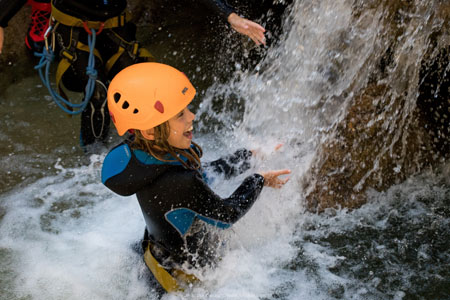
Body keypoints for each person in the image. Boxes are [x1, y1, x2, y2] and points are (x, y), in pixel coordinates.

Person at [101, 62, 290, 293]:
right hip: (181, 283)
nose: (192, 116)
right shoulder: (178, 182)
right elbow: (227, 215)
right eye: (180, 114)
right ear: (150, 131)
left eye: (187, 108)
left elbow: (202, 175)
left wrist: (247, 157)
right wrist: (258, 179)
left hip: (154, 256)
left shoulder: (142, 154)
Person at [0, 0, 266, 149]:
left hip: (115, 29)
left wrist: (230, 16)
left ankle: (145, 149)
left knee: (141, 90)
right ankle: (94, 155)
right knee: (98, 92)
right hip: (72, 32)